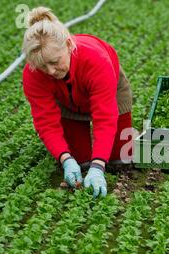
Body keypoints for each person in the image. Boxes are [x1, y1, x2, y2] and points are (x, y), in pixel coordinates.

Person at [21, 7, 133, 198]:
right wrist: (65, 159)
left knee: (119, 159)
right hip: (68, 102)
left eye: (55, 62)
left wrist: (98, 166)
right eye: (42, 66)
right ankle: (77, 155)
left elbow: (104, 117)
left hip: (110, 91)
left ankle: (106, 159)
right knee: (80, 162)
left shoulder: (95, 60)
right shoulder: (33, 75)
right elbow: (46, 123)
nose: (50, 71)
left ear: (69, 45)